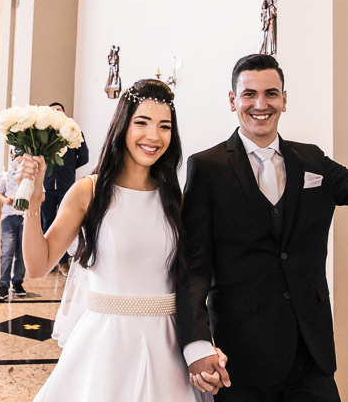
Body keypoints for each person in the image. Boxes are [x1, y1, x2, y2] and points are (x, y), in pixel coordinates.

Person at [176, 52, 348, 401]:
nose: (260, 104)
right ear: (233, 100)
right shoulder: (207, 167)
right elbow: (194, 266)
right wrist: (197, 343)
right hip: (241, 360)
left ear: (284, 100)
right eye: (249, 94)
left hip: (311, 356)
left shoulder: (311, 160)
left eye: (271, 93)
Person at [18, 79, 213, 401]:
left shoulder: (175, 199)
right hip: (105, 342)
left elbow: (189, 277)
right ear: (123, 125)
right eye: (142, 123)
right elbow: (38, 266)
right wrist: (33, 200)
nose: (153, 136)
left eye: (164, 126)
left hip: (166, 345)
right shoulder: (88, 192)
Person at [43, 102, 89, 275]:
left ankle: (63, 260)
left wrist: (68, 167)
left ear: (64, 113)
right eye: (52, 111)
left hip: (66, 185)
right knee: (47, 222)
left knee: (65, 224)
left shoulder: (74, 132)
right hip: (46, 185)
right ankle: (47, 259)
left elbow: (84, 156)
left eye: (59, 110)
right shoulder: (44, 134)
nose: (56, 113)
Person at [0, 158, 26, 300]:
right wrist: (5, 200)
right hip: (8, 217)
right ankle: (3, 285)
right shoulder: (6, 175)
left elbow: (42, 196)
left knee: (22, 253)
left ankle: (18, 282)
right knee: (7, 252)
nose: (19, 159)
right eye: (16, 156)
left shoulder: (31, 177)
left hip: (25, 218)